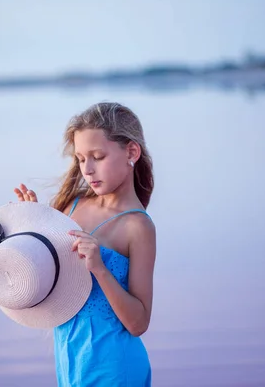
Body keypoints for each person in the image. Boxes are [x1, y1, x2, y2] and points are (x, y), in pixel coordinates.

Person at [13, 102, 156, 386]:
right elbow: (50, 283)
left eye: (98, 156)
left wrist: (100, 269)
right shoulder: (71, 206)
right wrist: (33, 231)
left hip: (115, 368)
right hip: (70, 360)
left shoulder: (137, 226)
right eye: (80, 158)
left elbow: (138, 323)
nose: (87, 170)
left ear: (131, 152)